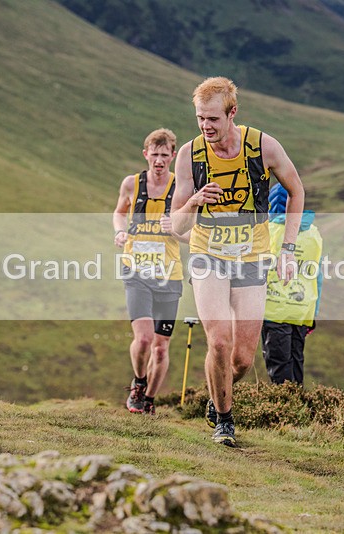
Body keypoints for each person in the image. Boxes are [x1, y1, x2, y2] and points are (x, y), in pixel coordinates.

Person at [171, 77, 305, 446]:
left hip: (252, 257)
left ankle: (218, 395)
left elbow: (296, 190)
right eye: (200, 118)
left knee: (243, 358)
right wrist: (194, 202)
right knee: (218, 342)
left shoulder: (263, 146)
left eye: (213, 119)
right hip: (208, 256)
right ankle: (224, 420)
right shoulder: (190, 154)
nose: (205, 126)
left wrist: (288, 248)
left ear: (233, 113)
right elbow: (176, 224)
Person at [113, 128, 185, 415]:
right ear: (146, 154)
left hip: (169, 275)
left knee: (160, 347)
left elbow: (195, 233)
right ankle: (138, 383)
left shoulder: (181, 189)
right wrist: (120, 232)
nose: (158, 160)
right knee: (143, 339)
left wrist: (176, 229)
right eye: (154, 155)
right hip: (136, 271)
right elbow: (119, 211)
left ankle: (150, 400)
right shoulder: (132, 184)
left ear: (173, 156)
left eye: (164, 155)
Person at [262, 183, 323, 386]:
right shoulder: (314, 234)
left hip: (273, 310)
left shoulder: (267, 231)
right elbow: (317, 277)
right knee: (296, 362)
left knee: (279, 366)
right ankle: (298, 411)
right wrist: (313, 313)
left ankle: (285, 411)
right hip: (302, 310)